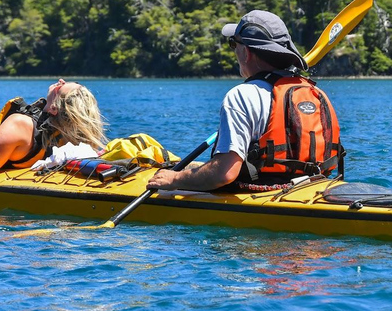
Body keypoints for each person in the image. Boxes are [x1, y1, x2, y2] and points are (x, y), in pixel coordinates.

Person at [147, 10, 344, 192]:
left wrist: (175, 179)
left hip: (261, 193)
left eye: (234, 44)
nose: (234, 51)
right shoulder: (315, 92)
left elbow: (224, 173)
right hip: (314, 187)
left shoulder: (242, 95)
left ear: (247, 52)